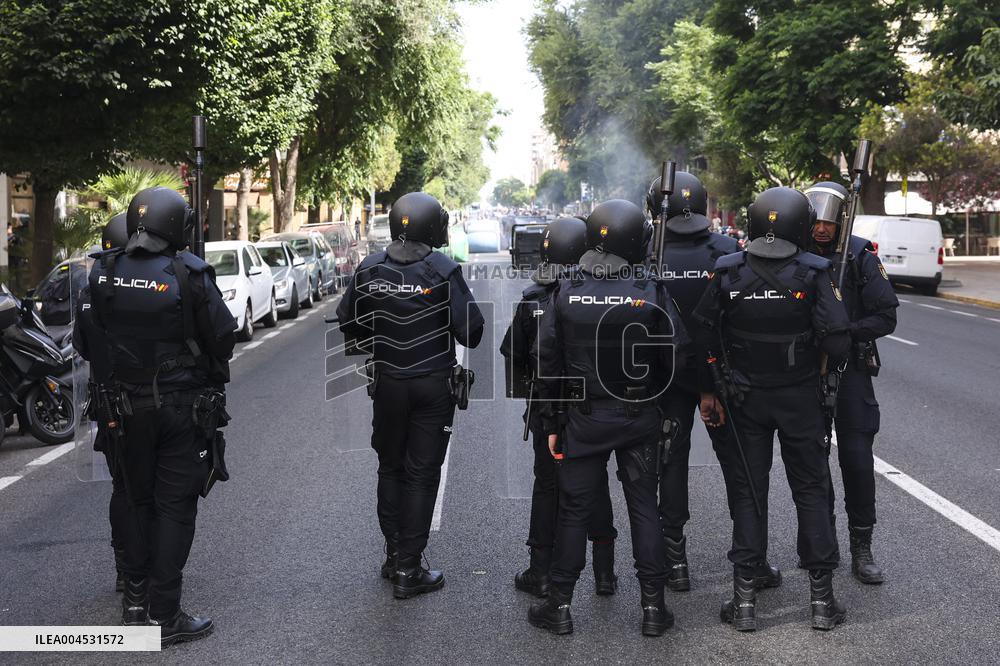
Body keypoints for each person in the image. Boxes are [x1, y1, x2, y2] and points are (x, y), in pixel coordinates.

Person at [81, 187, 237, 646]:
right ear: (175, 225)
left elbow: (90, 340)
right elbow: (223, 338)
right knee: (174, 508)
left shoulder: (103, 272)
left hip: (121, 410)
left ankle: (134, 602)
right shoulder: (188, 273)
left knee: (133, 499)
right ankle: (165, 615)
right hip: (179, 410)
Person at [692, 186, 852, 632]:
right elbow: (838, 335)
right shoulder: (817, 270)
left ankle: (744, 604)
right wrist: (822, 366)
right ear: (802, 224)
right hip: (801, 396)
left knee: (748, 492)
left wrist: (712, 387)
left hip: (743, 398)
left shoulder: (727, 270)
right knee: (812, 491)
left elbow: (703, 335)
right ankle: (822, 603)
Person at [530, 199, 688, 637]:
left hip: (583, 418)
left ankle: (559, 606)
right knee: (644, 509)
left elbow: (547, 361)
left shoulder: (566, 288)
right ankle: (653, 609)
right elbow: (675, 354)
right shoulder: (650, 288)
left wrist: (553, 422)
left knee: (574, 511)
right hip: (638, 415)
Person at [337, 192, 484, 599]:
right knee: (421, 473)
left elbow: (348, 320)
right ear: (429, 225)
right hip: (431, 383)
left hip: (386, 382)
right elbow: (471, 330)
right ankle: (408, 569)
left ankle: (392, 555)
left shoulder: (370, 267)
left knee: (390, 467)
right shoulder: (442, 269)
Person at [645, 171, 781, 593]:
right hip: (721, 375)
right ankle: (752, 561)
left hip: (662, 375)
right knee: (742, 468)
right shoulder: (727, 250)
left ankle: (675, 562)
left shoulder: (646, 252)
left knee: (670, 464)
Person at [500, 217, 618, 600]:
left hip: (548, 406)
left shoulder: (535, 298)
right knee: (595, 485)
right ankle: (605, 574)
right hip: (595, 405)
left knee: (548, 487)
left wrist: (533, 400)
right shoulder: (600, 292)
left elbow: (513, 355)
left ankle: (542, 573)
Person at [805, 181, 898, 584]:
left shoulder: (860, 255)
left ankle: (862, 546)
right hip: (808, 373)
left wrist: (846, 331)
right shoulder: (797, 256)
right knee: (812, 465)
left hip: (852, 373)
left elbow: (886, 316)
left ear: (842, 220)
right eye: (816, 220)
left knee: (857, 462)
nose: (822, 229)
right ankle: (822, 546)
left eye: (829, 221)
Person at [72, 213, 130, 593]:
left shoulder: (89, 292)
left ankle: (125, 569)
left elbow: (80, 347)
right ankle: (146, 572)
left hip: (106, 406)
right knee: (154, 490)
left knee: (122, 490)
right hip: (143, 403)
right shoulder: (143, 289)